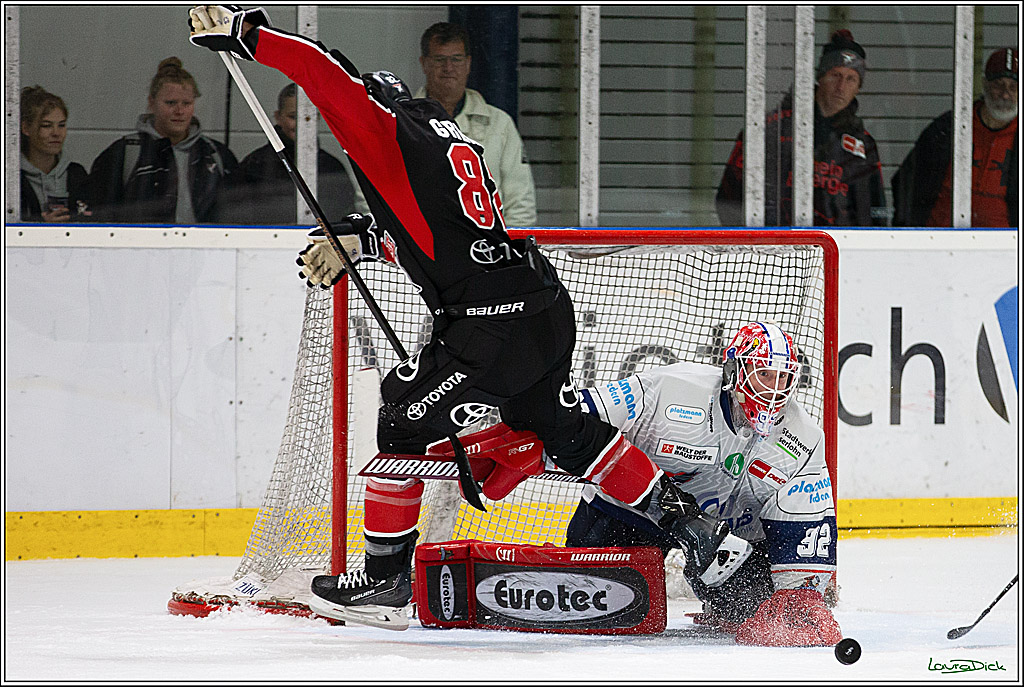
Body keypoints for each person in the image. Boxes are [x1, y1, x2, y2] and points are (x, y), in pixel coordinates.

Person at [188, 4, 750, 631]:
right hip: (540, 303)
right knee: (560, 425)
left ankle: (384, 579)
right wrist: (363, 239)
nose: (347, 119)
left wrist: (251, 36)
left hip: (492, 323)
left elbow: (325, 73)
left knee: (403, 419)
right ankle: (688, 522)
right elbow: (434, 229)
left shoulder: (386, 131)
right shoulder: (447, 139)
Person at [563, 321, 841, 646]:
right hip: (631, 513)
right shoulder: (668, 388)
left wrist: (800, 591)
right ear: (735, 370)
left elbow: (805, 518)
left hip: (721, 540)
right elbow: (576, 419)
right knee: (588, 600)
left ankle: (714, 590)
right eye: (764, 374)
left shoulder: (804, 438)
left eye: (784, 377)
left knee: (753, 606)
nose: (774, 389)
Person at [716, 30, 888, 227]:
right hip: (774, 250)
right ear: (820, 78)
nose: (841, 86)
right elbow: (728, 198)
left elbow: (875, 216)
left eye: (851, 79)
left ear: (858, 87)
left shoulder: (863, 145)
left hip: (839, 252)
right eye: (835, 75)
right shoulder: (772, 129)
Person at [86, 57, 238, 224]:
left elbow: (236, 214)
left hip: (205, 248)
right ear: (151, 103)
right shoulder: (124, 152)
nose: (179, 111)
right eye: (170, 103)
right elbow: (100, 214)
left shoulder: (216, 154)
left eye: (186, 103)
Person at [415, 22, 537, 228]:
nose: (448, 68)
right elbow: (375, 193)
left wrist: (512, 252)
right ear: (424, 63)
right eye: (440, 60)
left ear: (468, 64)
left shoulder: (500, 124)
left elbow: (521, 203)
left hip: (489, 248)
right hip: (419, 249)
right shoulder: (401, 122)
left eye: (456, 59)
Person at [891, 47, 1018, 228]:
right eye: (998, 85)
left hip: (1003, 249)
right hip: (941, 243)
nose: (1005, 94)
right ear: (985, 85)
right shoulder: (949, 127)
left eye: (1013, 87)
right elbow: (905, 180)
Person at [221, 82, 357, 225]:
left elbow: (346, 217)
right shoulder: (254, 165)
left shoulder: (333, 167)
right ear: (278, 117)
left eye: (308, 116)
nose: (301, 123)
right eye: (293, 116)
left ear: (318, 117)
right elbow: (234, 218)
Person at [19, 86, 91, 223]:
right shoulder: (10, 179)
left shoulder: (77, 175)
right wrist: (38, 226)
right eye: (46, 126)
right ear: (26, 128)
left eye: (61, 125)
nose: (56, 133)